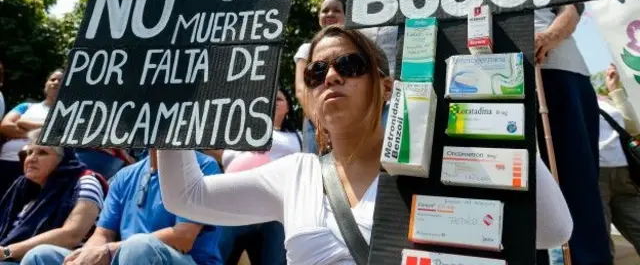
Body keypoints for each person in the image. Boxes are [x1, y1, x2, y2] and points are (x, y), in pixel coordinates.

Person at [158, 25, 573, 265]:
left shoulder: (442, 161)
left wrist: (499, 119)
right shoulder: (297, 174)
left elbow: (554, 231)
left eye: (349, 65)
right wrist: (167, 100)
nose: (331, 77)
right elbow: (186, 196)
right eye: (316, 73)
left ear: (388, 87)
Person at [22, 150, 223, 265]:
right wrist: (88, 255)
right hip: (124, 255)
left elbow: (184, 238)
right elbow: (103, 233)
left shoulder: (205, 166)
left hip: (186, 260)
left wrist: (109, 251)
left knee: (138, 246)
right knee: (40, 256)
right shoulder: (126, 174)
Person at [534, 4, 611, 265]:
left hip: (554, 68)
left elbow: (571, 6)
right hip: (489, 71)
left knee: (575, 183)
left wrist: (549, 37)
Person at [206, 87, 301, 265]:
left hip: (272, 211)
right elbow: (206, 145)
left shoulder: (297, 137)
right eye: (268, 99)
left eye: (279, 99)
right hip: (230, 206)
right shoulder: (236, 134)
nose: (273, 102)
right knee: (216, 260)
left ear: (288, 107)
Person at [0, 129, 106, 264]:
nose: (32, 158)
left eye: (42, 152)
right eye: (29, 152)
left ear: (63, 159)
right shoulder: (22, 188)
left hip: (63, 258)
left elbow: (72, 235)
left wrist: (7, 252)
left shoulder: (85, 182)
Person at [597, 63, 640, 259]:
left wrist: (615, 89)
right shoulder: (568, 101)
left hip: (626, 174)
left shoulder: (605, 99)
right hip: (596, 175)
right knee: (601, 241)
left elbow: (632, 126)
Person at [294, 0, 347, 154]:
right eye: (325, 11)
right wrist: (320, 124)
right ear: (319, 18)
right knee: (314, 173)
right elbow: (301, 89)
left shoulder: (354, 48)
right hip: (315, 120)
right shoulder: (307, 49)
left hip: (348, 118)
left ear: (345, 16)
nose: (330, 14)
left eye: (336, 10)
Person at [0, 70, 63, 198]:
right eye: (52, 79)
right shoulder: (26, 106)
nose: (55, 83)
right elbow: (5, 126)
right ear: (45, 84)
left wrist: (24, 124)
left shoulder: (67, 113)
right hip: (7, 161)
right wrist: (45, 129)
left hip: (38, 166)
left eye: (61, 80)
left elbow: (61, 133)